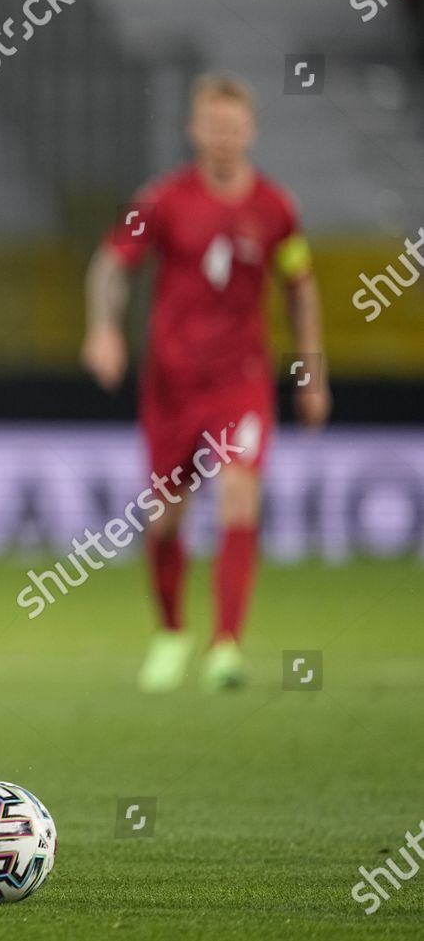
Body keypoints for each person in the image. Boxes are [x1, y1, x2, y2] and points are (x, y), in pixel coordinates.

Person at [80, 73, 330, 693]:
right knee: (165, 519)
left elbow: (300, 289)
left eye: (235, 128)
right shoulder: (163, 201)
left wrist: (312, 369)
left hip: (240, 380)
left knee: (240, 492)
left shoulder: (276, 209)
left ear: (251, 132)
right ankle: (171, 632)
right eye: (214, 126)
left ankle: (226, 646)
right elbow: (113, 262)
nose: (224, 138)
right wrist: (104, 329)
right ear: (195, 130)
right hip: (172, 385)